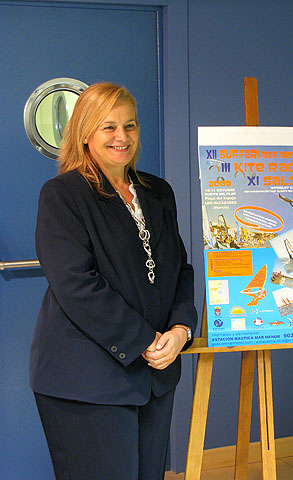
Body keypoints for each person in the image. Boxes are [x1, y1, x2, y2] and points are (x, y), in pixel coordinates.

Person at [30, 82, 198, 480]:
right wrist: (144, 341)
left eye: (130, 125)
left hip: (156, 375)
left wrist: (181, 328)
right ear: (85, 133)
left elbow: (181, 270)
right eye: (108, 127)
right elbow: (76, 285)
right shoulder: (63, 195)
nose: (122, 137)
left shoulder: (158, 193)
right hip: (87, 380)